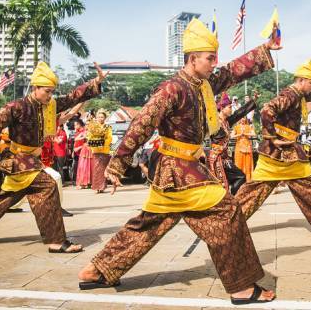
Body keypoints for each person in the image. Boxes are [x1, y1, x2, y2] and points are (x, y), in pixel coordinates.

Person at [78, 19, 280, 304]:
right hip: (177, 170)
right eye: (210, 58)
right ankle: (240, 287)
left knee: (148, 225)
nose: (214, 63)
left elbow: (233, 72)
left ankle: (97, 271)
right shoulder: (172, 88)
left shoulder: (203, 84)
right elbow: (142, 124)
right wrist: (117, 164)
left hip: (182, 169)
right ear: (192, 58)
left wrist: (264, 49)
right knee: (227, 213)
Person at [0, 61, 107, 253]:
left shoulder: (49, 105)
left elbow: (73, 97)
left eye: (52, 92)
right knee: (48, 185)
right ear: (35, 87)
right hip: (18, 159)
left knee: (6, 197)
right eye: (47, 91)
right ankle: (56, 241)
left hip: (32, 160)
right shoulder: (15, 107)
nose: (50, 96)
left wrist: (96, 82)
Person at [235, 59, 311, 238]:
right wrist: (272, 137)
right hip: (282, 152)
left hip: (281, 153)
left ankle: (228, 221)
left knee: (254, 191)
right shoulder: (291, 94)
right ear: (301, 80)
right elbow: (267, 110)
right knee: (309, 185)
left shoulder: (299, 94)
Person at [209, 92, 257, 194]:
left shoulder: (227, 122)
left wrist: (253, 101)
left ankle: (233, 199)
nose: (231, 109)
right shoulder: (214, 122)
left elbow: (239, 113)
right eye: (229, 107)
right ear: (222, 108)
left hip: (225, 159)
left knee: (241, 177)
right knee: (219, 186)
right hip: (216, 159)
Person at [88, 109, 112, 193]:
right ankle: (96, 187)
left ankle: (102, 187)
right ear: (96, 117)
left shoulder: (108, 127)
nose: (100, 118)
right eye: (99, 117)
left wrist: (103, 143)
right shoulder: (93, 126)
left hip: (104, 150)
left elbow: (109, 138)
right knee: (96, 169)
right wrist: (96, 143)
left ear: (105, 118)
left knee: (103, 169)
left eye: (102, 117)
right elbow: (89, 136)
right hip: (95, 150)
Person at [232, 114, 257, 182]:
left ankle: (248, 179)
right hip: (239, 146)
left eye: (243, 118)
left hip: (247, 146)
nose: (242, 119)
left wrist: (246, 134)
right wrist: (239, 135)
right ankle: (240, 180)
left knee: (248, 163)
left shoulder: (248, 127)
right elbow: (232, 136)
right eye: (241, 118)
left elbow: (254, 134)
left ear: (245, 119)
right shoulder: (236, 127)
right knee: (239, 162)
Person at [71, 119, 85, 185]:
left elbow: (86, 143)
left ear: (79, 124)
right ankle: (75, 181)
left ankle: (80, 181)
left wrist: (79, 148)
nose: (74, 126)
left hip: (82, 152)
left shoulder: (84, 132)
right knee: (75, 167)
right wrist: (73, 151)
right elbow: (75, 142)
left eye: (75, 125)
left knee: (81, 167)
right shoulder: (77, 132)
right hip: (76, 152)